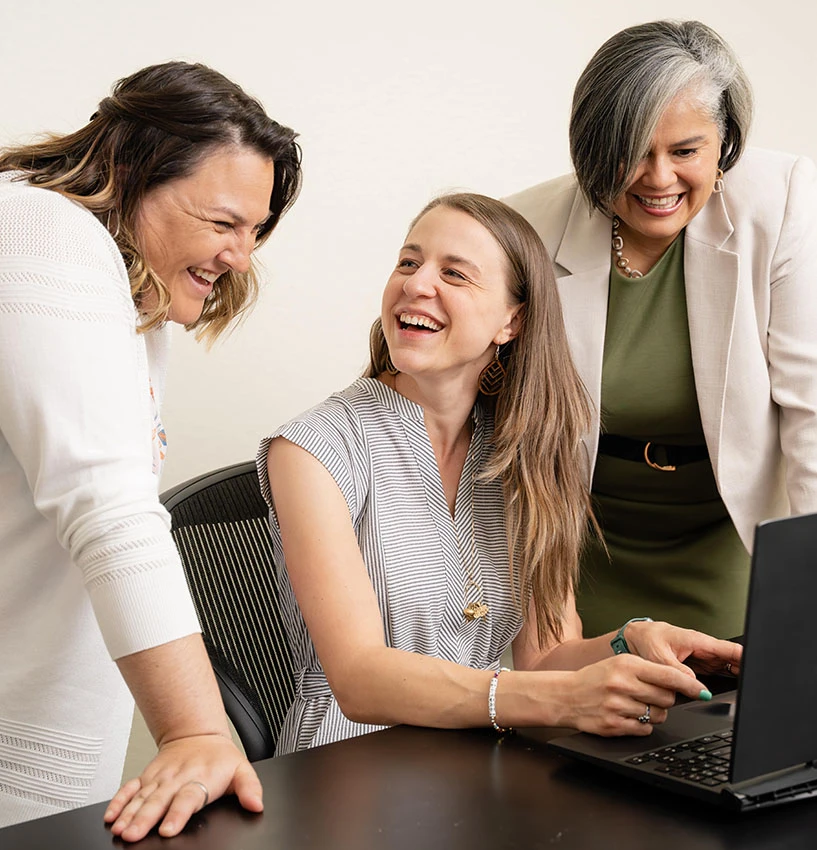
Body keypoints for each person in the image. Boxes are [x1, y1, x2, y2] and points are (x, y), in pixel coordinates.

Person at [259, 192, 740, 754]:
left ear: (511, 321)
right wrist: (560, 700)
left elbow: (548, 656)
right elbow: (359, 679)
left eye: (455, 274)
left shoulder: (526, 452)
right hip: (347, 769)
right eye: (408, 262)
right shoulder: (312, 449)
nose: (416, 284)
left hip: (481, 764)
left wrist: (628, 644)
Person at [0, 61, 301, 839]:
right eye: (223, 222)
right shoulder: (44, 232)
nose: (242, 255)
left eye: (255, 230)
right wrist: (197, 730)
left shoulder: (132, 297)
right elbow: (108, 505)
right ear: (131, 174)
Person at [505, 20, 817, 640]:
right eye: (633, 150)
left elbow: (812, 411)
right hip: (581, 555)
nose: (658, 178)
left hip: (730, 539)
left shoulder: (780, 201)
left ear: (724, 143)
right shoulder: (525, 229)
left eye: (685, 151)